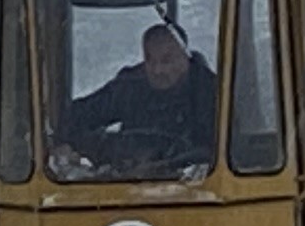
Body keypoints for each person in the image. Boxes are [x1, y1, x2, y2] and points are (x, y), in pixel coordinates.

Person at [55, 17, 218, 172]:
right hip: (126, 186)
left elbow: (222, 148)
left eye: (166, 60)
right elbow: (77, 117)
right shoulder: (130, 87)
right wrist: (67, 145)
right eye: (150, 60)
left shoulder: (211, 94)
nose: (157, 70)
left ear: (185, 59)